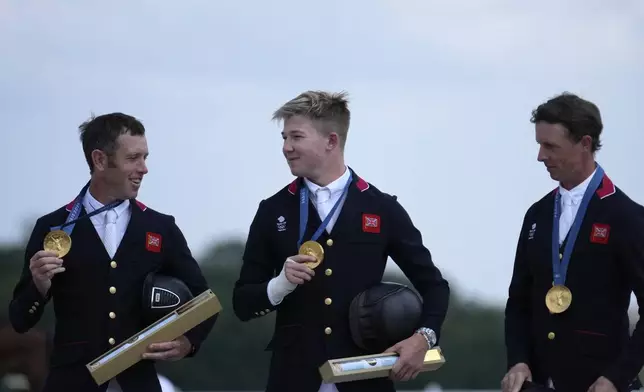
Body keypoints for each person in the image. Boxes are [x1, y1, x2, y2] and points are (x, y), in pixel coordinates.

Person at [232, 90, 450, 392]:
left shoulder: (382, 209)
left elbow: (435, 286)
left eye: (296, 137)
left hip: (365, 380)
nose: (286, 148)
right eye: (284, 138)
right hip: (293, 379)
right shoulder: (273, 211)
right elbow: (242, 303)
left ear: (331, 141)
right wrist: (279, 284)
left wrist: (423, 337)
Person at [7, 113, 217, 392]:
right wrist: (40, 285)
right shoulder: (52, 227)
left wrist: (187, 343)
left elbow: (204, 302)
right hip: (71, 383)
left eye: (145, 157)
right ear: (100, 160)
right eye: (133, 158)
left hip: (139, 384)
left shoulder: (160, 227)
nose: (144, 168)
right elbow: (20, 320)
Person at [502, 92, 644, 392]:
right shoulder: (537, 215)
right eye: (539, 144)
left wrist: (617, 377)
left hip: (601, 385)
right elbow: (518, 302)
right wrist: (518, 361)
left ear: (585, 144)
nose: (540, 156)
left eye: (550, 146)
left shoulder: (626, 216)